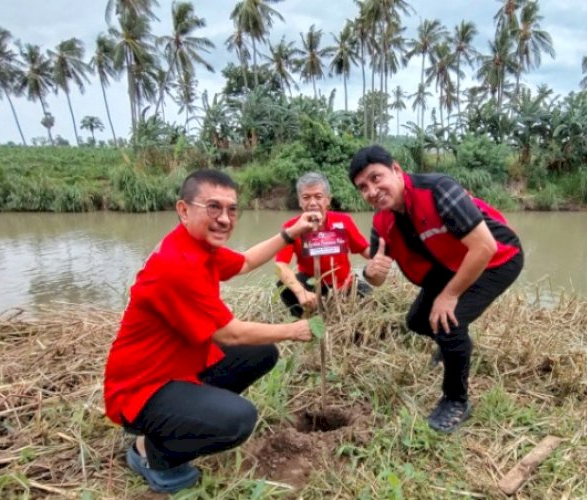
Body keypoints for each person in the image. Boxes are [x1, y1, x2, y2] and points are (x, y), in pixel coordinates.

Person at [103, 170, 323, 493]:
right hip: (139, 390)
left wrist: (292, 232)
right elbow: (230, 334)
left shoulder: (197, 246)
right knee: (239, 419)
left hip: (173, 369)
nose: (224, 219)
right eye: (213, 207)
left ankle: (179, 421)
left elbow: (245, 262)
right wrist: (293, 329)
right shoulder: (178, 264)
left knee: (261, 353)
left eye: (232, 209)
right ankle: (152, 453)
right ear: (183, 209)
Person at [349, 145, 523, 433]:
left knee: (447, 324)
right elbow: (376, 279)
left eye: (376, 178)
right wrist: (371, 271)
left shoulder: (439, 190)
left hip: (497, 258)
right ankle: (457, 347)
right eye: (363, 187)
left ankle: (456, 400)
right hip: (451, 265)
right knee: (417, 321)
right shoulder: (382, 221)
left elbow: (484, 247)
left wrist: (450, 295)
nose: (372, 191)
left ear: (396, 169)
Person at [275, 172, 371, 318]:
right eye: (306, 198)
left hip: (343, 283)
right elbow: (280, 265)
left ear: (328, 200)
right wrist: (301, 293)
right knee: (283, 287)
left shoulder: (344, 221)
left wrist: (384, 254)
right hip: (311, 282)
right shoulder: (291, 227)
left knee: (373, 300)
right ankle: (302, 319)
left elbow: (365, 249)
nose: (312, 203)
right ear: (300, 202)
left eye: (318, 197)